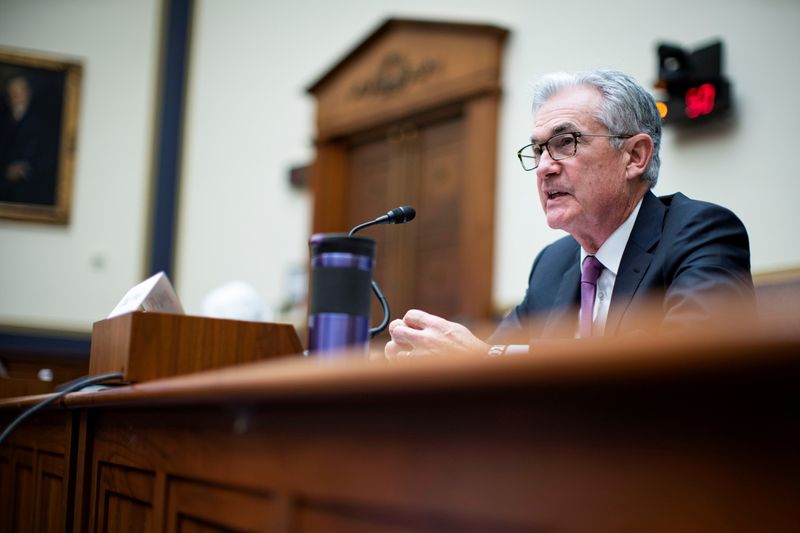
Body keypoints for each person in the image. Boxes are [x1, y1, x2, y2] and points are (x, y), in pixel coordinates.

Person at [385, 69, 754, 359]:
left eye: (565, 142)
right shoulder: (553, 264)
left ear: (635, 156)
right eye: (538, 150)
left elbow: (691, 376)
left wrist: (487, 358)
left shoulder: (701, 234)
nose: (545, 166)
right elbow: (489, 375)